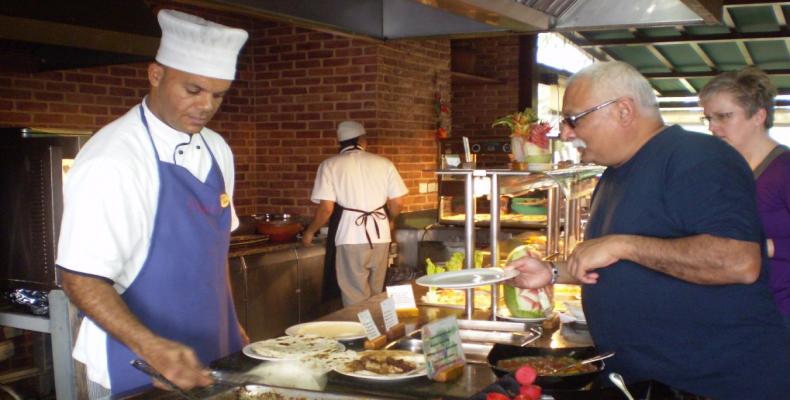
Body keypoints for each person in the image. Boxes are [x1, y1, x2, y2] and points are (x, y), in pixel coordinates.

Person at [506, 61, 790, 399]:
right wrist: (553, 272)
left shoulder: (698, 157)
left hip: (714, 384)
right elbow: (625, 262)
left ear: (624, 110)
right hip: (647, 379)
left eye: (573, 119)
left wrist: (622, 245)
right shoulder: (615, 172)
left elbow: (738, 262)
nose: (566, 133)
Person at [55, 9, 248, 397]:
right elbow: (79, 278)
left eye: (218, 94)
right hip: (136, 361)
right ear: (156, 75)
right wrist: (152, 348)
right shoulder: (113, 159)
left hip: (211, 349)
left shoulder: (217, 149)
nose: (206, 106)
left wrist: (232, 322)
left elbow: (216, 250)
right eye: (193, 90)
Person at [699, 67, 790, 329]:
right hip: (739, 313)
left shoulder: (784, 170)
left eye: (724, 117)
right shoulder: (725, 172)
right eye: (708, 118)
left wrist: (766, 247)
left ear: (758, 116)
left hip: (780, 315)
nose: (713, 127)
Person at [302, 121, 408, 306]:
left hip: (350, 237)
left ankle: (361, 333)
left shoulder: (330, 165)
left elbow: (326, 208)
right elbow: (397, 203)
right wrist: (390, 220)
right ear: (362, 140)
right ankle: (378, 332)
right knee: (377, 293)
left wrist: (310, 231)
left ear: (340, 142)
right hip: (381, 235)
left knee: (355, 294)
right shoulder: (384, 163)